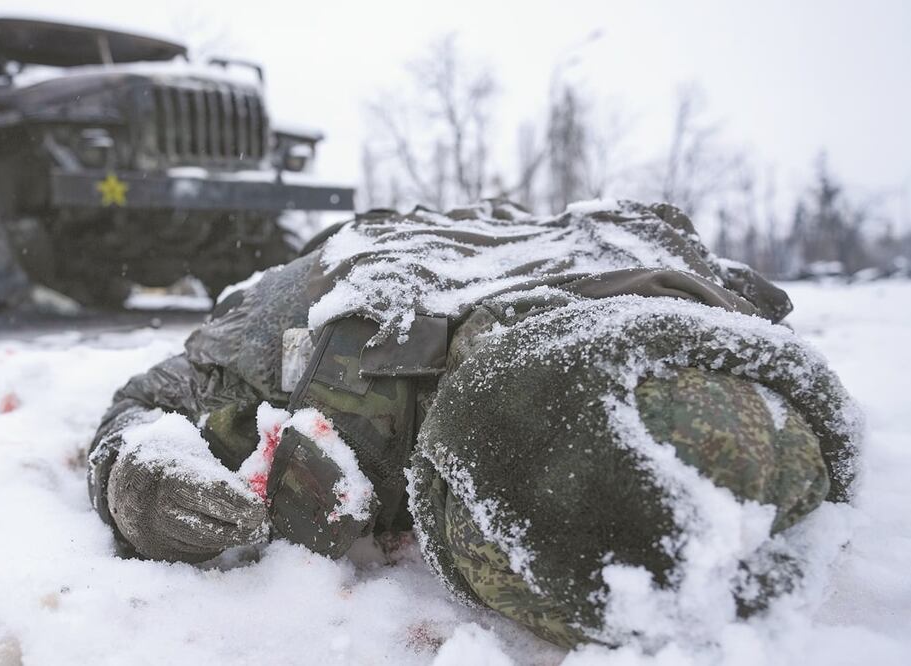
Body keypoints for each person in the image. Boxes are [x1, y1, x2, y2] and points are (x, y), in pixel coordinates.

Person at [87, 199, 859, 647]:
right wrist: (138, 477)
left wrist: (131, 470)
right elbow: (153, 397)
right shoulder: (311, 319)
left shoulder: (712, 324)